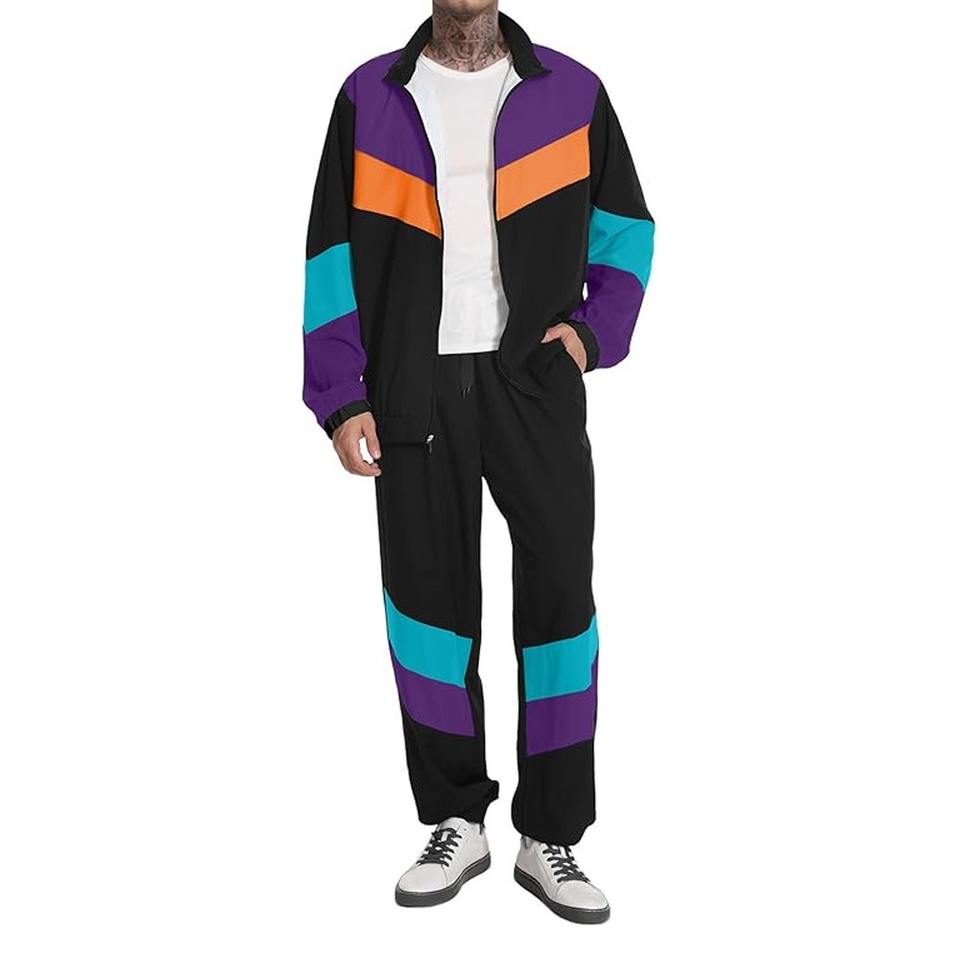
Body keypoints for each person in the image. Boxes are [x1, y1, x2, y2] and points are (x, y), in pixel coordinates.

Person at [302, 1, 653, 924]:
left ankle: (551, 835)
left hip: (532, 379)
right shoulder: (369, 97)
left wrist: (589, 335)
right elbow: (328, 253)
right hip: (410, 388)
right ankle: (457, 819)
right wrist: (340, 395)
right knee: (428, 612)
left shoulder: (573, 93)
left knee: (560, 605)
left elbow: (627, 230)